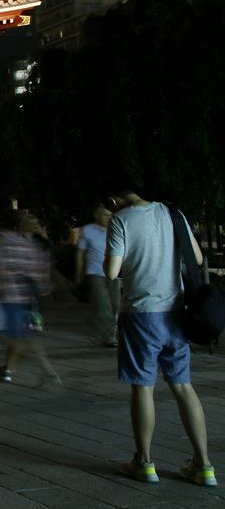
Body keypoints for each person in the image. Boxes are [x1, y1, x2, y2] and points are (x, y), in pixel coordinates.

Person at [105, 191, 215, 487]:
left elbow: (111, 270)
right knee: (183, 386)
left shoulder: (121, 220)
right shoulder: (174, 214)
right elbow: (198, 257)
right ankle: (203, 466)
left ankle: (144, 462)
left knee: (143, 387)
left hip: (140, 314)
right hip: (176, 313)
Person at [0, 210, 58, 385]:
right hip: (31, 298)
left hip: (12, 296)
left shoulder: (8, 241)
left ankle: (48, 372)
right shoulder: (39, 245)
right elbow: (44, 272)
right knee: (20, 335)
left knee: (19, 337)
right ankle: (7, 370)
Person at [77, 204, 118, 346]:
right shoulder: (87, 230)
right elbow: (80, 253)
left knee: (114, 305)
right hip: (95, 272)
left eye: (110, 215)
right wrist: (79, 272)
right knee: (103, 305)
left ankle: (106, 331)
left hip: (113, 272)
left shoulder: (115, 229)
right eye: (105, 215)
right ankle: (108, 337)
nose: (108, 218)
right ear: (97, 215)